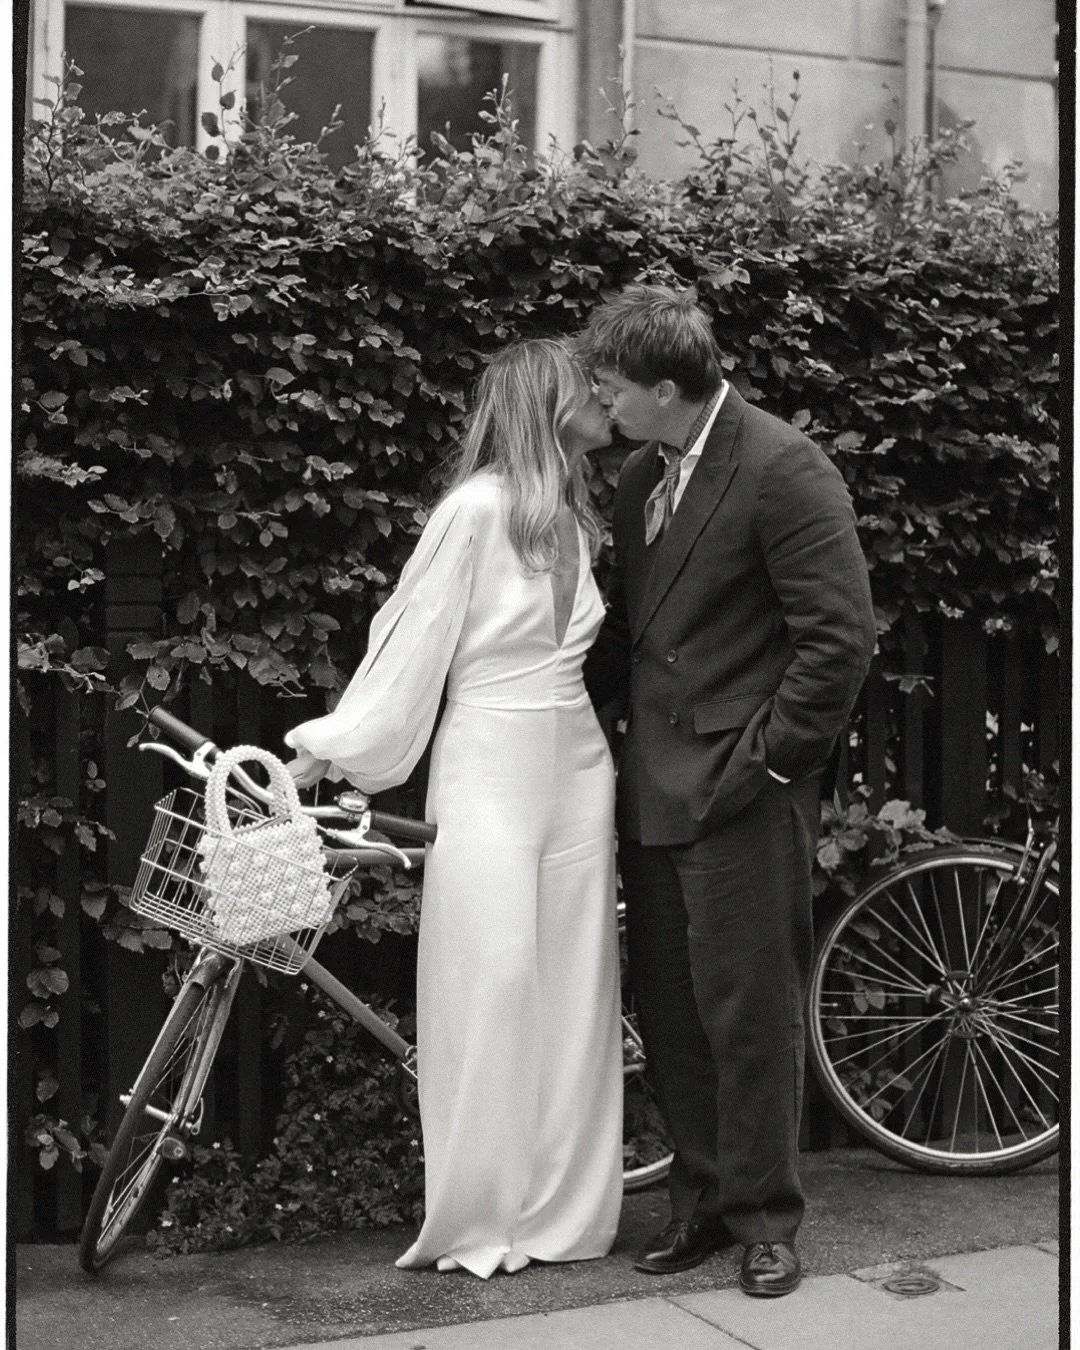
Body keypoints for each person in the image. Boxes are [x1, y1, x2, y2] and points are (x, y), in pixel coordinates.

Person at [284, 338, 623, 1280]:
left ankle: (563, 1213)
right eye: (587, 387)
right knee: (496, 975)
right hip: (489, 760)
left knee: (576, 985)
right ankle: (481, 1214)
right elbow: (413, 638)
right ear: (549, 405)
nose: (605, 397)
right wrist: (331, 746)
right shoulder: (472, 512)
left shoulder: (578, 524)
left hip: (580, 764)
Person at [577, 285, 876, 1298]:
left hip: (744, 794)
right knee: (672, 1014)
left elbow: (838, 644)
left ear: (667, 389)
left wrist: (768, 766)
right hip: (651, 792)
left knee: (748, 1013)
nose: (600, 404)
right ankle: (701, 1206)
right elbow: (628, 635)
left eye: (613, 389)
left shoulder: (786, 467)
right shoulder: (634, 479)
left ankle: (765, 1221)